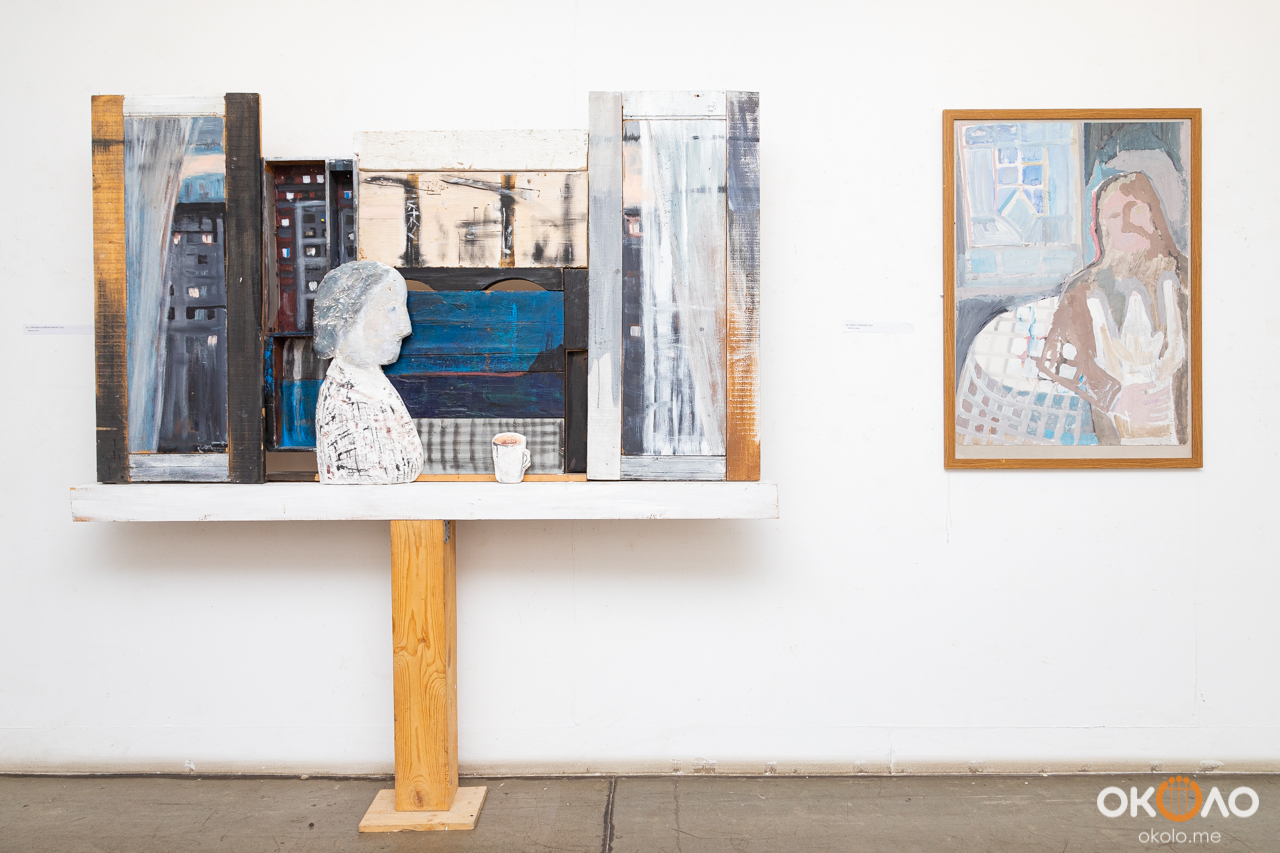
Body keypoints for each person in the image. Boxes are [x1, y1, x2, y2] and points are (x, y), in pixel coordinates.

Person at [1035, 172, 1189, 445]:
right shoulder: (1081, 290)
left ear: (1154, 215)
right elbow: (1051, 361)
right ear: (1103, 226)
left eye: (1136, 210)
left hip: (1188, 438)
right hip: (1116, 444)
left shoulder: (1188, 277)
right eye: (1115, 216)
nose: (1126, 225)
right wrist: (1114, 398)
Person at [312, 261, 424, 484]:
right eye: (391, 309)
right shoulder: (345, 402)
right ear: (346, 319)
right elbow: (389, 471)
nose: (405, 327)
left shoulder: (371, 384)